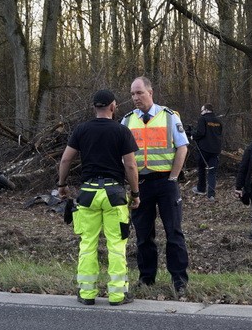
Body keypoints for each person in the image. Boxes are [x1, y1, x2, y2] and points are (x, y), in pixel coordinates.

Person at [58, 90, 141, 306]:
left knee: (87, 244)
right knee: (116, 244)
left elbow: (66, 160)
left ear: (94, 107)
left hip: (88, 194)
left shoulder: (81, 130)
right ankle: (117, 295)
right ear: (113, 106)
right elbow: (131, 165)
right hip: (114, 194)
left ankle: (86, 294)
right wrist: (135, 193)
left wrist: (62, 185)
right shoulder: (122, 131)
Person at [122, 76, 190, 298]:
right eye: (132, 94)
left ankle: (179, 279)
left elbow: (182, 147)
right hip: (140, 184)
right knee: (143, 235)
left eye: (139, 93)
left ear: (150, 92)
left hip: (165, 183)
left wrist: (173, 177)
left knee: (174, 232)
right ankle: (146, 278)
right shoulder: (127, 121)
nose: (135, 98)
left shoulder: (169, 117)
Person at [190, 104, 224, 199]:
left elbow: (201, 132)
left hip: (204, 150)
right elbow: (219, 134)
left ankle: (201, 188)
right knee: (212, 172)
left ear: (205, 110)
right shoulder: (218, 121)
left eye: (202, 111)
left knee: (201, 169)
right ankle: (211, 195)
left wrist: (193, 136)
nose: (201, 113)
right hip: (215, 150)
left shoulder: (203, 119)